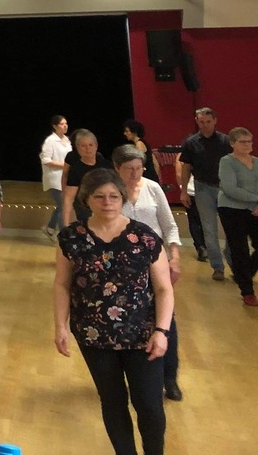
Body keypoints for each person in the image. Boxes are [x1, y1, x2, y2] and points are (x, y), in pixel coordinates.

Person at [54, 169, 173, 455]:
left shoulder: (144, 237)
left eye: (114, 196)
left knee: (149, 404)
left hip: (143, 335)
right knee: (112, 401)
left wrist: (162, 331)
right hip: (93, 335)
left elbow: (164, 289)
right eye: (99, 196)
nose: (107, 202)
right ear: (87, 199)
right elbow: (62, 284)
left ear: (123, 198)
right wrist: (60, 326)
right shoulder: (71, 238)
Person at [113, 143, 184, 400]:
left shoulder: (153, 188)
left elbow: (170, 225)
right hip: (122, 266)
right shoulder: (110, 193)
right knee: (126, 320)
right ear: (116, 168)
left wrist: (174, 257)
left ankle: (169, 377)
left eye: (139, 168)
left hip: (155, 262)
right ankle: (135, 376)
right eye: (129, 169)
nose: (135, 174)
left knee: (164, 319)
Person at [178, 107, 232, 281]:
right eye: (201, 122)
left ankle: (233, 261)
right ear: (197, 121)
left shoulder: (226, 141)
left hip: (224, 188)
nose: (205, 125)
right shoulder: (191, 143)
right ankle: (217, 267)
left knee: (231, 228)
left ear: (215, 120)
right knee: (209, 230)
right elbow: (186, 167)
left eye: (208, 122)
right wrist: (184, 191)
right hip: (202, 188)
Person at [217, 126, 258, 307]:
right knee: (239, 249)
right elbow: (230, 189)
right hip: (231, 209)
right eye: (243, 142)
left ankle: (244, 274)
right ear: (233, 143)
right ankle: (247, 292)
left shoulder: (256, 162)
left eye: (250, 141)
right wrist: (256, 201)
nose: (248, 145)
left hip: (254, 209)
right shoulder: (227, 162)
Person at [63, 129, 112, 225]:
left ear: (96, 146)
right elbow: (69, 198)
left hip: (105, 206)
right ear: (77, 148)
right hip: (84, 208)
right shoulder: (75, 169)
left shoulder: (106, 165)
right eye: (83, 146)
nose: (87, 148)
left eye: (91, 145)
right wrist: (66, 224)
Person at [40, 115, 71, 240]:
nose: (65, 126)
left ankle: (50, 228)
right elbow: (46, 160)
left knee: (61, 205)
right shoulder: (50, 141)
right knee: (63, 205)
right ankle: (63, 236)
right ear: (55, 126)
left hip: (65, 178)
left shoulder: (67, 140)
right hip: (54, 178)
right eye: (62, 124)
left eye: (66, 123)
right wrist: (64, 165)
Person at [123, 120, 159, 185]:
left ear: (134, 132)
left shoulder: (139, 144)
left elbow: (138, 163)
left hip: (146, 177)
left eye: (127, 131)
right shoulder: (143, 143)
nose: (125, 133)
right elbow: (155, 163)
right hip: (151, 176)